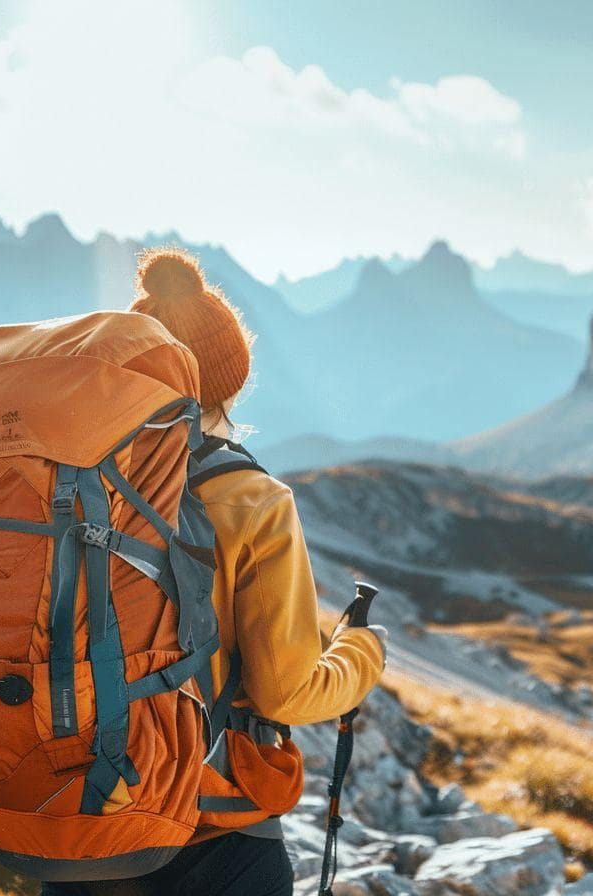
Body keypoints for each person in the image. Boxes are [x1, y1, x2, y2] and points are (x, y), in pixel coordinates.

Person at [41, 248, 386, 896]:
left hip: (78, 819)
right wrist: (362, 653)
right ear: (233, 379)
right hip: (213, 828)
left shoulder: (68, 482)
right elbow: (287, 693)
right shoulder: (254, 501)